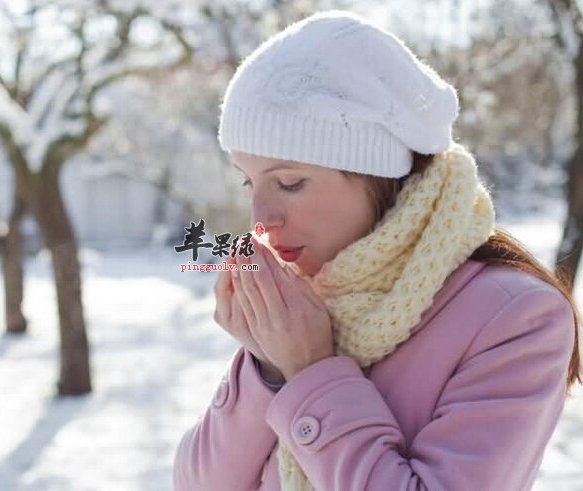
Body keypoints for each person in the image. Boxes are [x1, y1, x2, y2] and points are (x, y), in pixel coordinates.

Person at [172, 10, 581, 491]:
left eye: (289, 182)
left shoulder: (516, 319)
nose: (261, 217)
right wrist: (266, 367)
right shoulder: (311, 293)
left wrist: (310, 371)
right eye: (248, 181)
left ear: (377, 176)